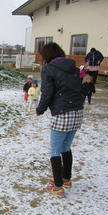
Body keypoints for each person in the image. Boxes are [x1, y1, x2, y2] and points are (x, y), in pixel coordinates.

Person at [36, 42, 84, 197]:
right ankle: (66, 179)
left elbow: (47, 92)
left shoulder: (49, 69)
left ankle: (58, 187)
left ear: (47, 56)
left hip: (62, 113)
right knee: (66, 147)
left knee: (55, 150)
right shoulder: (74, 68)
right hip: (77, 112)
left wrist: (40, 109)